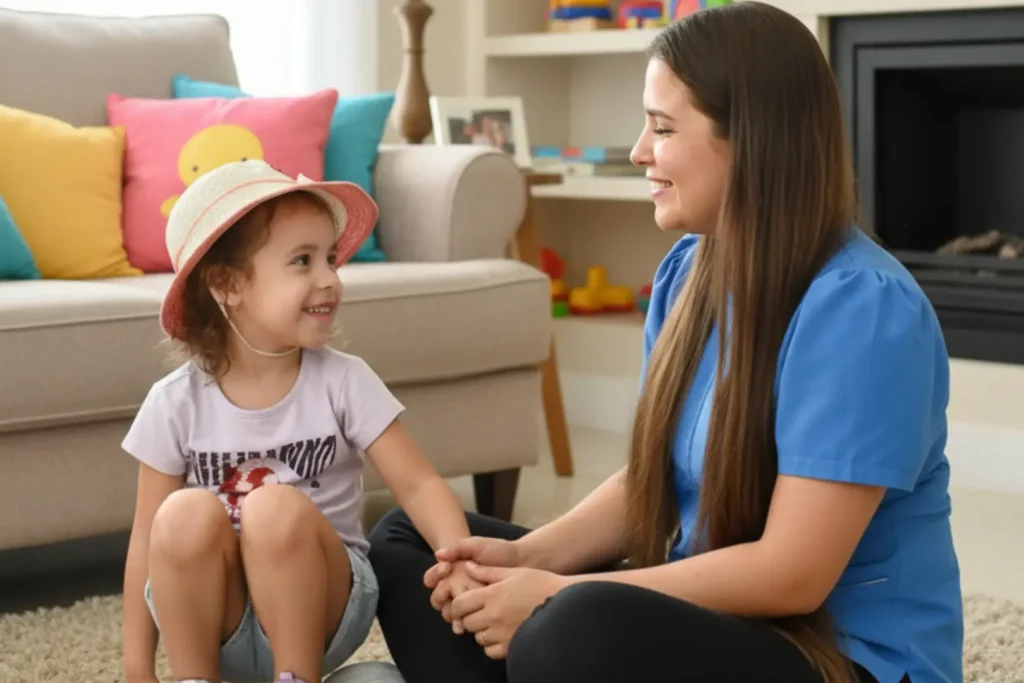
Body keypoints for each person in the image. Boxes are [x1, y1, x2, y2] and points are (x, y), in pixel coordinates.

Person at [366, 3, 964, 683]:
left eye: (663, 127)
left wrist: (557, 594)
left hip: (839, 654)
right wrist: (529, 559)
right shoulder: (688, 271)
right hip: (720, 615)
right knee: (412, 545)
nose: (638, 150)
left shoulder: (864, 308)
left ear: (753, 141)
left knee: (568, 627)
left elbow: (792, 574)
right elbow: (653, 480)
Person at [121, 160, 478, 683]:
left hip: (322, 607)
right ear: (226, 284)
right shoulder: (174, 401)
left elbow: (418, 484)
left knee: (273, 507)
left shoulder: (344, 381)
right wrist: (137, 669)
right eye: (302, 261)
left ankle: (296, 677)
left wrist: (459, 562)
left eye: (330, 259)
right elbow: (144, 542)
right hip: (219, 616)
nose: (329, 278)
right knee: (178, 515)